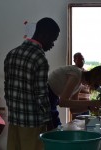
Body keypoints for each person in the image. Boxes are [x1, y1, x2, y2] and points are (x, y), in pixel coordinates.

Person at [4, 17, 60, 150]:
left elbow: (7, 88)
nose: (52, 45)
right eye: (53, 40)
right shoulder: (40, 58)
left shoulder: (11, 54)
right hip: (33, 125)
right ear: (44, 35)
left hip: (14, 121)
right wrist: (50, 123)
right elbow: (41, 95)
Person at [47, 65, 101, 129]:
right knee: (55, 130)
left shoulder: (79, 84)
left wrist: (89, 107)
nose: (98, 87)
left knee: (56, 129)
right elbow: (63, 102)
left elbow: (73, 109)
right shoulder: (76, 75)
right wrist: (91, 103)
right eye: (100, 84)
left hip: (52, 98)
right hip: (46, 95)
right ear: (96, 78)